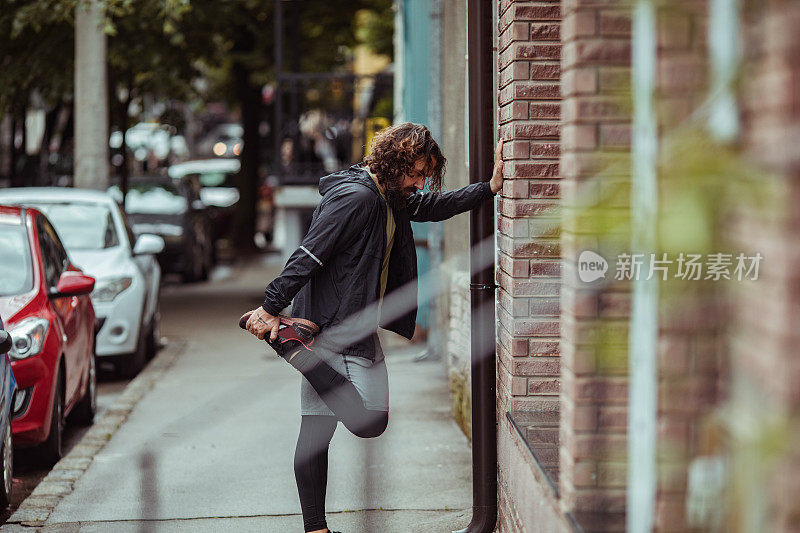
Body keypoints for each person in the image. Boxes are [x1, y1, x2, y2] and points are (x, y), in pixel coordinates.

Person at [243, 122, 504, 533]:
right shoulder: (357, 198)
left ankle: (316, 529)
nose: (419, 183)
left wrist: (488, 188)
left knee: (323, 431)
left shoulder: (390, 195)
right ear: (396, 161)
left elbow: (434, 207)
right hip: (334, 324)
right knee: (365, 422)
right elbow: (309, 253)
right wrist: (272, 306)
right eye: (416, 173)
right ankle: (293, 349)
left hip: (343, 320)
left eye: (423, 176)